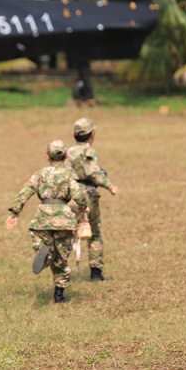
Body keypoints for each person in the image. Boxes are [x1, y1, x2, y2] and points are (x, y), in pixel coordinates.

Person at [5, 141, 87, 303]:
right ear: (67, 156)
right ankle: (59, 296)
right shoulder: (70, 174)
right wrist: (81, 209)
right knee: (62, 259)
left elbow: (26, 190)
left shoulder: (40, 173)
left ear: (47, 157)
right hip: (64, 219)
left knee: (43, 245)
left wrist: (15, 212)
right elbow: (80, 196)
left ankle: (44, 254)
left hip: (42, 218)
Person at [66, 118, 118, 281]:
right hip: (87, 195)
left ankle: (58, 266)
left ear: (74, 134)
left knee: (67, 232)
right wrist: (109, 185)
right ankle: (96, 274)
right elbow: (92, 173)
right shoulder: (89, 151)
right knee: (94, 233)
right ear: (92, 134)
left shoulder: (68, 152)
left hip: (71, 195)